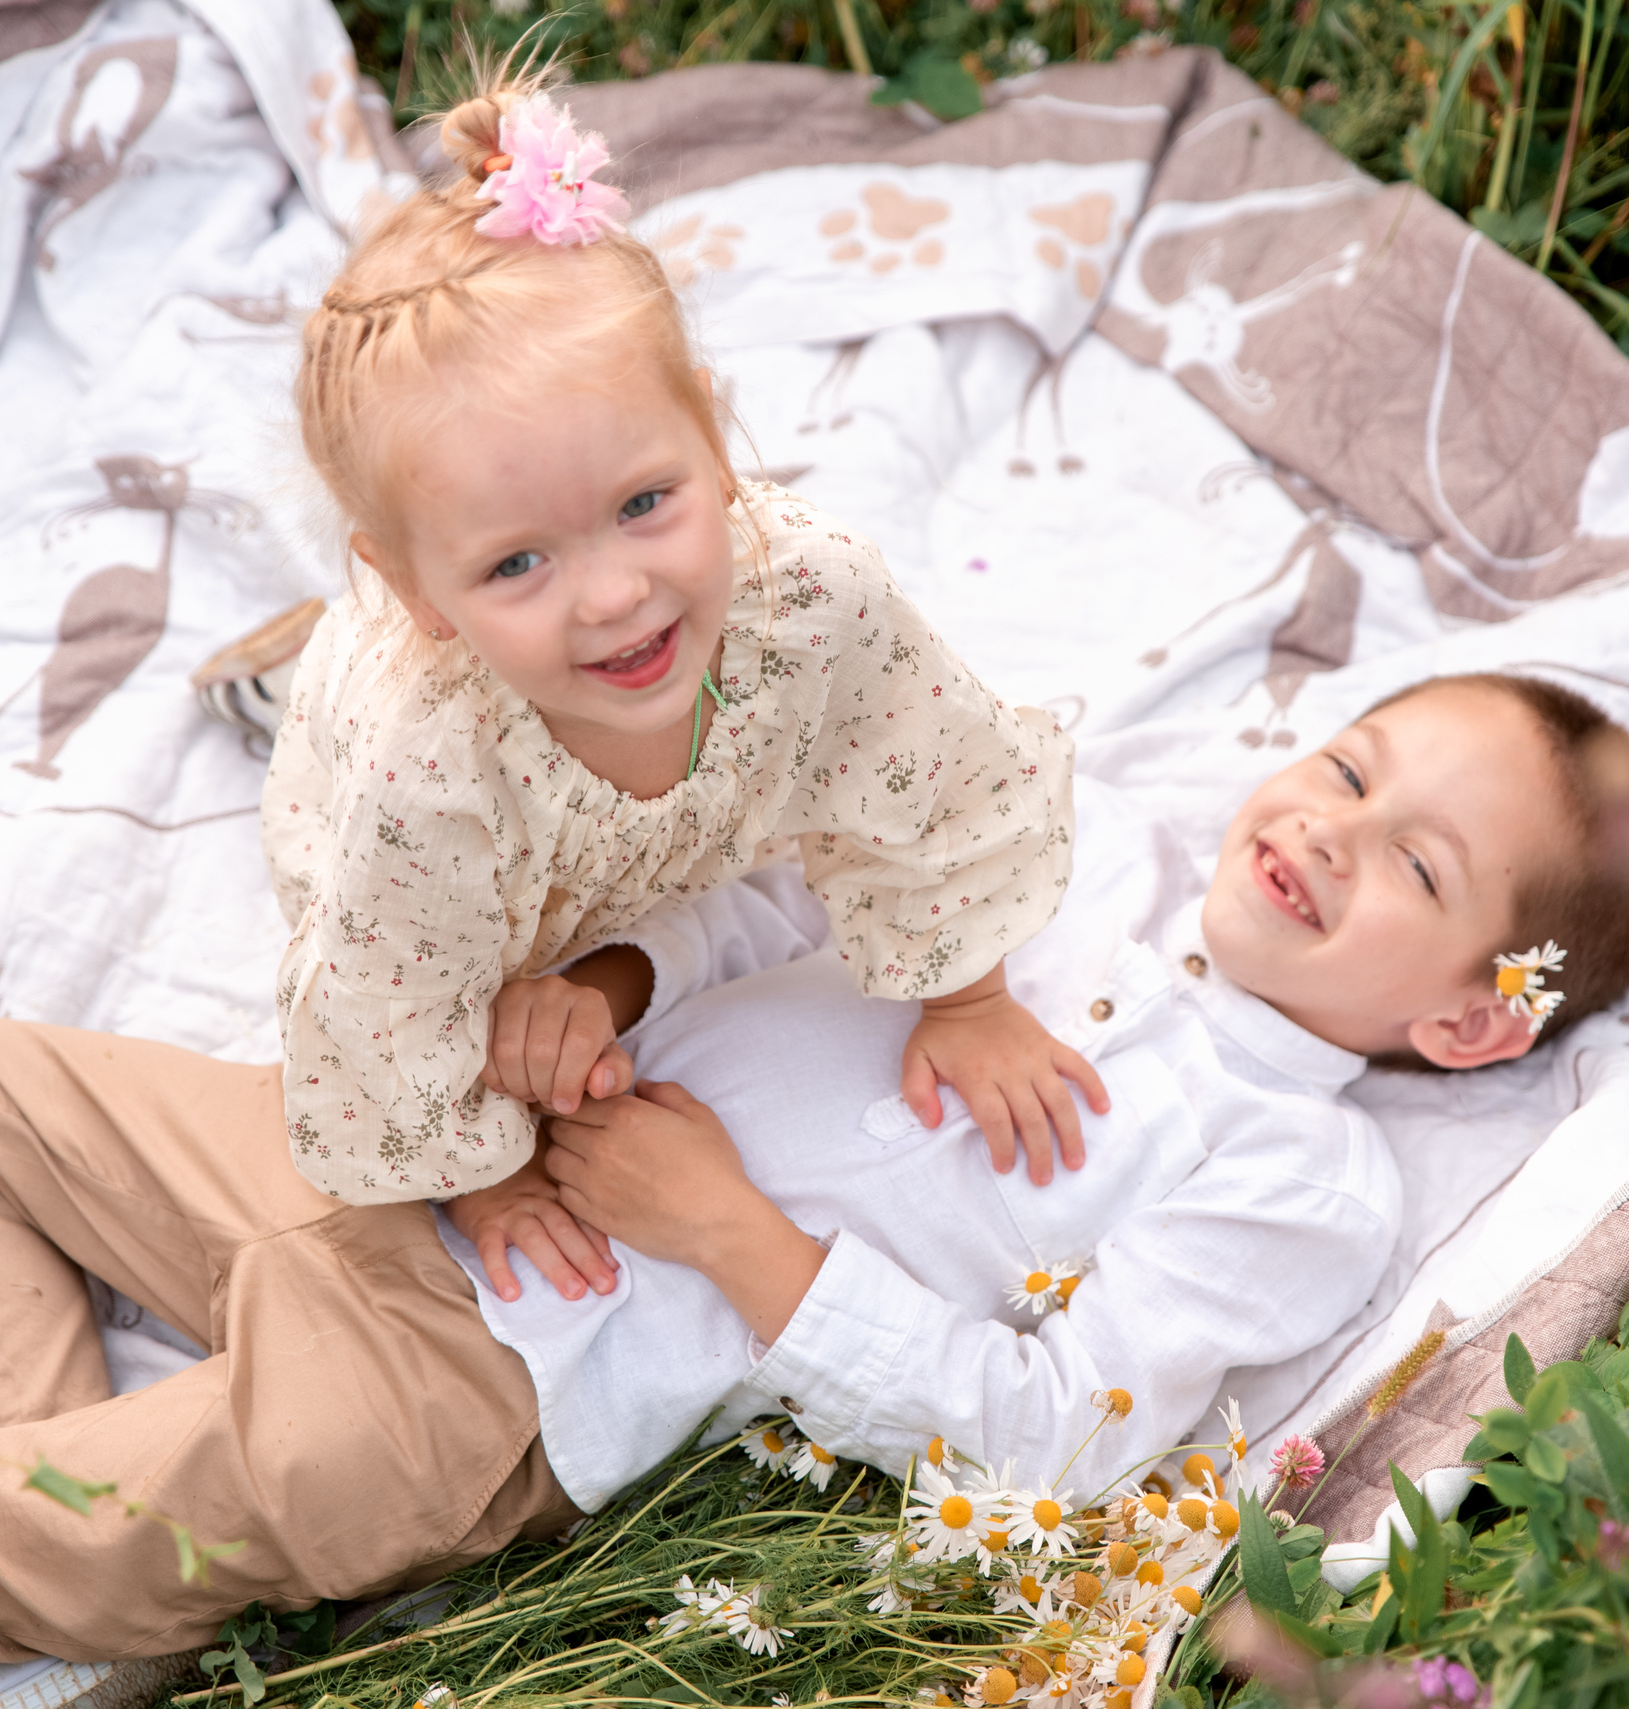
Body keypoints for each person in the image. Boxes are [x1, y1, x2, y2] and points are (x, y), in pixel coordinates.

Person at [0, 672, 1629, 1664]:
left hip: (508, 1359)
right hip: (428, 1165)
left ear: (1468, 1020)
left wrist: (732, 1237)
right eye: (1349, 764)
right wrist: (599, 988)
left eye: (1417, 862)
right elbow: (764, 897)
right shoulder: (1069, 851)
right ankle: (81, 1572)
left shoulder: (1294, 1178)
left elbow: (1048, 1440)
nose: (1333, 827)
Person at [267, 59, 1101, 1216]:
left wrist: (967, 1002)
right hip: (438, 868)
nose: (614, 595)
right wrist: (482, 1181)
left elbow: (933, 779)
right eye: (517, 563)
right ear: (416, 590)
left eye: (644, 502)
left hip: (635, 855)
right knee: (408, 912)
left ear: (710, 437)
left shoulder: (810, 601)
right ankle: (290, 670)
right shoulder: (424, 776)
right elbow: (384, 1002)